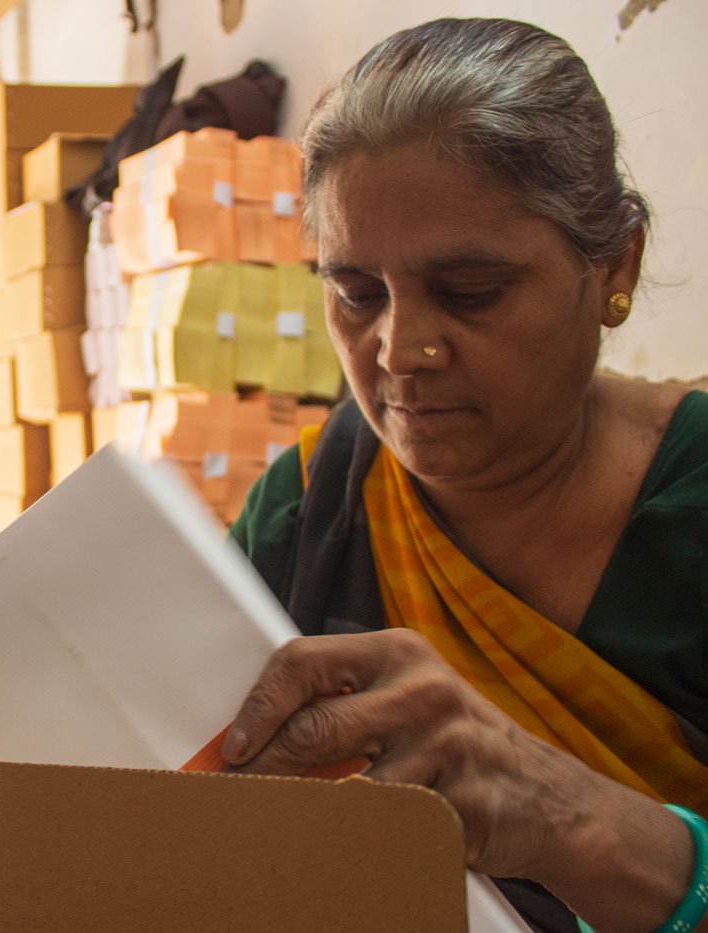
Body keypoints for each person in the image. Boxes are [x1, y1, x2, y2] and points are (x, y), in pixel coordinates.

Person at [222, 19, 707, 933]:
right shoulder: (303, 513)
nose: (400, 348)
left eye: (472, 291)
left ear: (616, 265)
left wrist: (569, 818)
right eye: (356, 293)